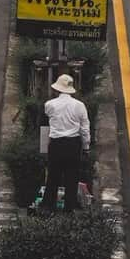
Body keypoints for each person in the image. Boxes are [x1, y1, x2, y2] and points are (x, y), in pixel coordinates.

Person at [41, 74, 90, 214]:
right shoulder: (80, 106)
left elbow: (47, 118)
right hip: (73, 144)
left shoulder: (50, 105)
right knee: (72, 177)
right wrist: (86, 147)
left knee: (53, 177)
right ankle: (70, 207)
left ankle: (48, 207)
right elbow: (85, 129)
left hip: (56, 144)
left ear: (57, 89)